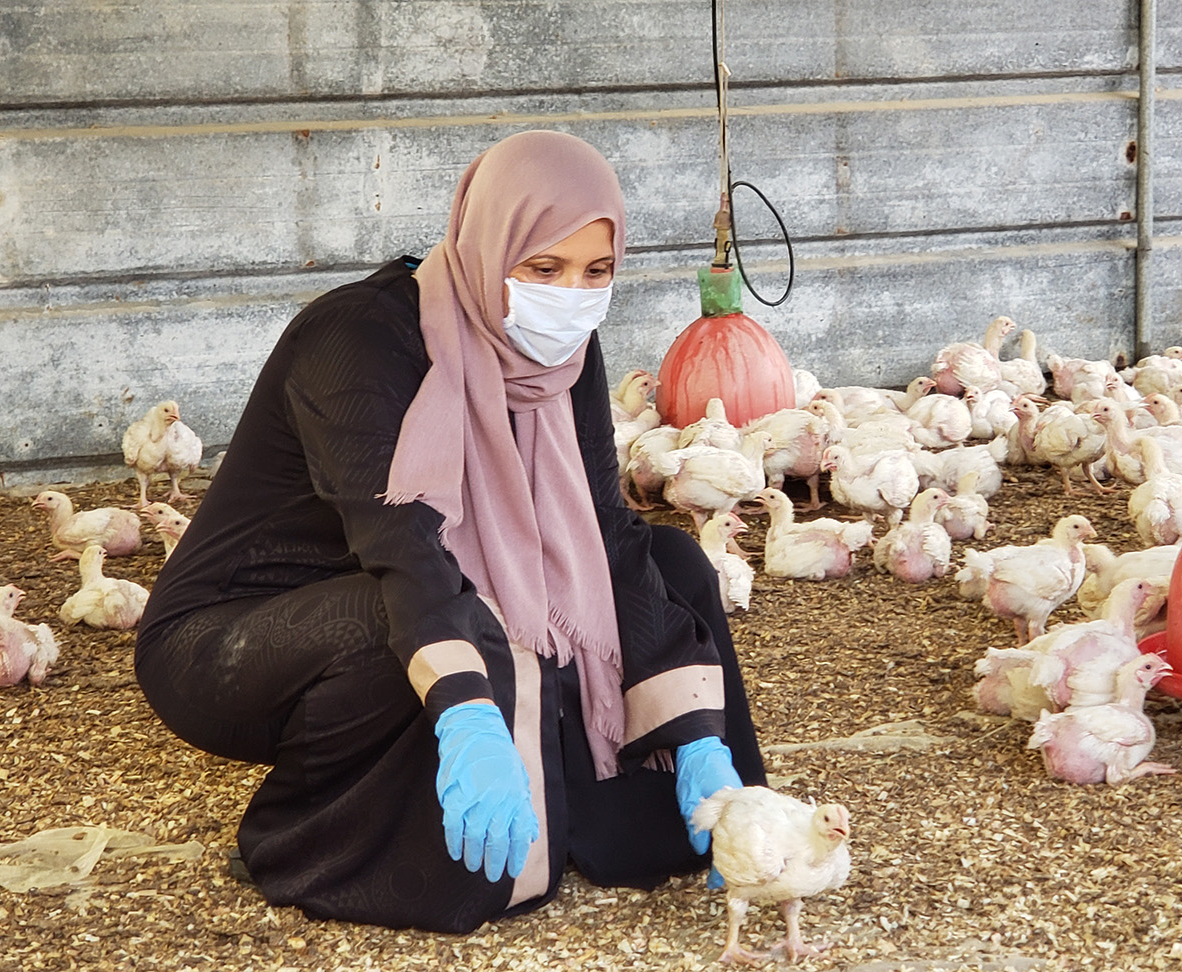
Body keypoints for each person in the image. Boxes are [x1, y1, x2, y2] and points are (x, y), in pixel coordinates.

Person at [135, 130, 767, 933]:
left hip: (406, 592)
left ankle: (675, 806)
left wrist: (696, 728)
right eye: (543, 268)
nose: (572, 294)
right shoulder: (352, 339)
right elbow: (403, 549)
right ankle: (321, 841)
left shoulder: (563, 347)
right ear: (489, 239)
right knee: (441, 614)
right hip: (231, 643)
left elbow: (605, 530)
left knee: (673, 558)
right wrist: (468, 715)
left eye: (595, 271)